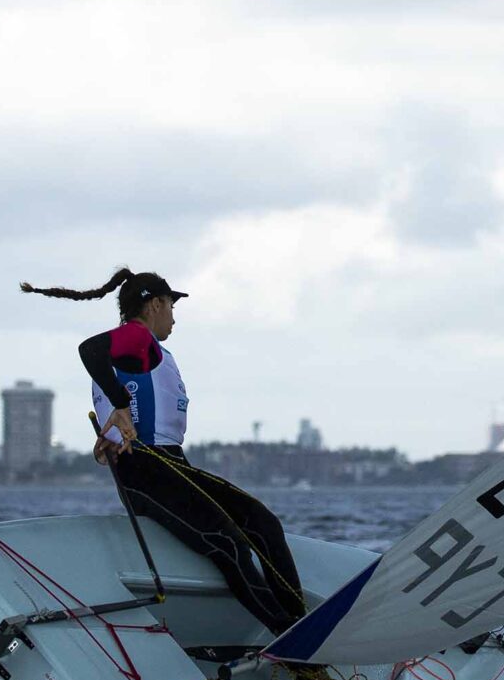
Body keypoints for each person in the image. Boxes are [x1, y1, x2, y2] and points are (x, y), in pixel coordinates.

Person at [20, 268, 311, 646]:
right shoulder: (138, 337)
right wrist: (121, 408)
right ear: (155, 304)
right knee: (229, 543)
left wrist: (112, 426)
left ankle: (300, 625)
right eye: (172, 307)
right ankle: (292, 637)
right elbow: (89, 350)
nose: (174, 317)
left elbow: (120, 384)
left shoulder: (143, 348)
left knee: (262, 524)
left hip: (169, 467)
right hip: (147, 470)